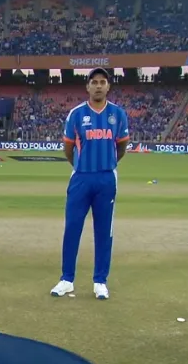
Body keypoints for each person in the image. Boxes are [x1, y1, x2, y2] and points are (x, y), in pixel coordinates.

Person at [50, 68, 130, 300]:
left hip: (106, 178)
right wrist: (80, 166)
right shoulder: (76, 114)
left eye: (102, 82)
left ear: (108, 86)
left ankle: (100, 281)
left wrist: (109, 163)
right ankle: (67, 279)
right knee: (72, 228)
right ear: (87, 86)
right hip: (81, 178)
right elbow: (68, 148)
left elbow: (121, 147)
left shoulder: (118, 114)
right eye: (94, 82)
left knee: (104, 231)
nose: (98, 86)